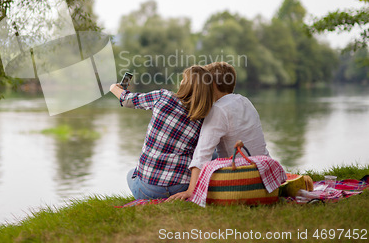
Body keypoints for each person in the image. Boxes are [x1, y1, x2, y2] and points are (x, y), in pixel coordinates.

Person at [167, 61, 270, 201]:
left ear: (212, 84)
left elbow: (202, 154)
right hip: (262, 169)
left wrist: (191, 191)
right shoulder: (245, 101)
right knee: (215, 153)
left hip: (240, 174)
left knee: (195, 154)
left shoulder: (218, 110)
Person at [109, 65, 214, 200]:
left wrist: (114, 88)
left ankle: (150, 197)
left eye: (183, 79)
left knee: (130, 174)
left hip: (148, 190)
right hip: (181, 187)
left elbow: (127, 100)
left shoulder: (163, 97)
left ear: (185, 84)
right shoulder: (205, 117)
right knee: (213, 154)